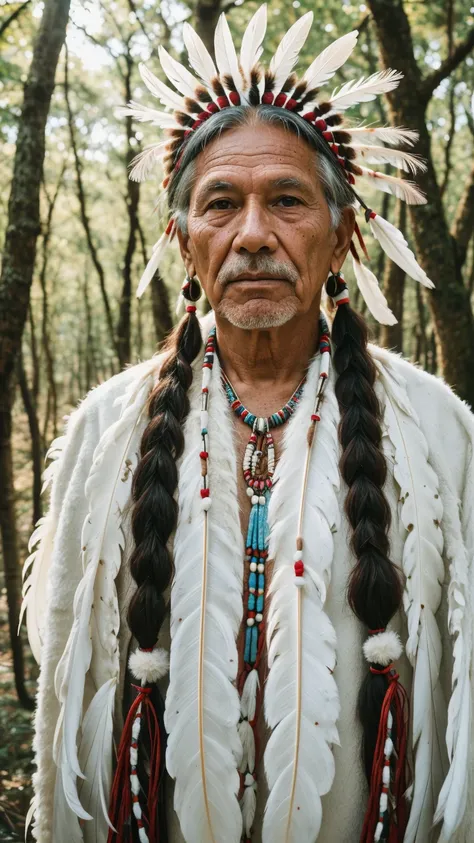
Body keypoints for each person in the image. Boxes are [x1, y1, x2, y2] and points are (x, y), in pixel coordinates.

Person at [23, 6, 474, 843]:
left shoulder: (440, 435)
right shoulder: (107, 434)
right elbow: (68, 697)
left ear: (343, 235)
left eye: (289, 201)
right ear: (182, 237)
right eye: (221, 203)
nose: (254, 235)